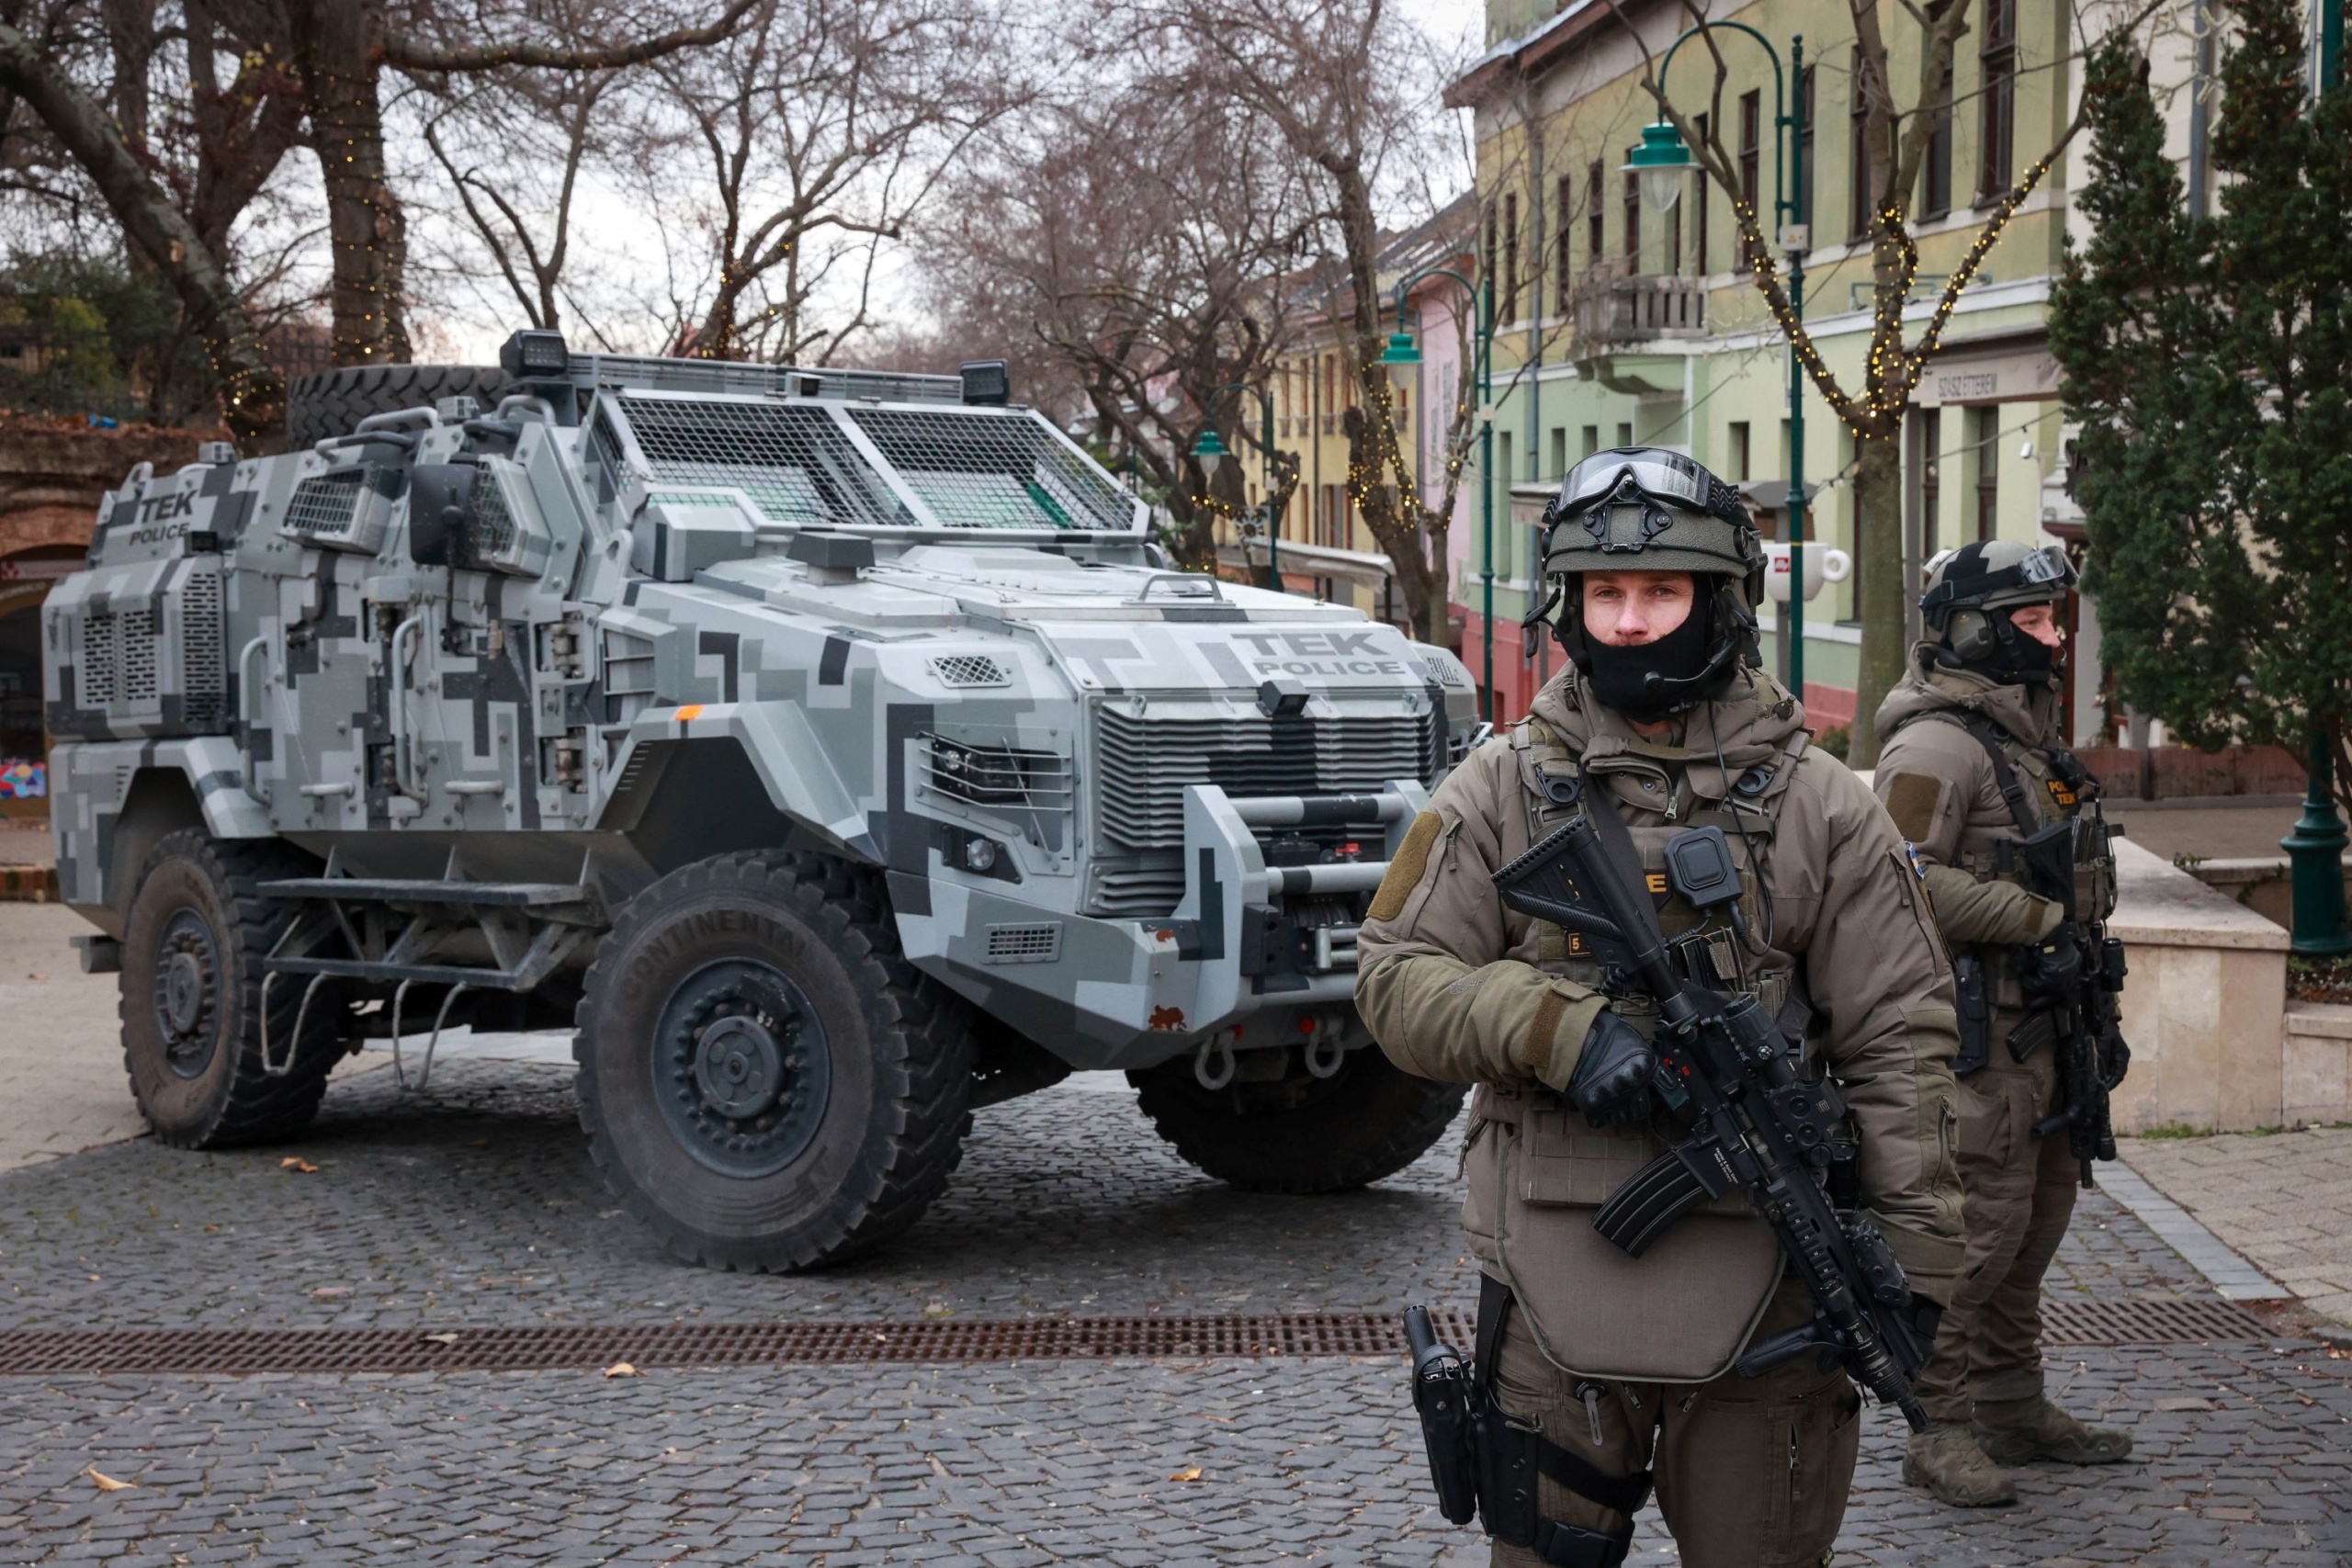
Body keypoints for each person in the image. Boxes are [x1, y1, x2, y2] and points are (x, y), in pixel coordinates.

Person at [1359, 448, 1965, 1568]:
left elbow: (1902, 1042)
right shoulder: (1499, 788)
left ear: (1720, 603)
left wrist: (1919, 1260)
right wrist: (1559, 1028)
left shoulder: (1823, 805)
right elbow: (1393, 980)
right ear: (1570, 607)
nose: (1631, 622)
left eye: (1660, 593)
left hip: (1774, 1287)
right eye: (1606, 595)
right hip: (1551, 1289)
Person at [1871, 539, 2135, 1507]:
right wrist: (2026, 917)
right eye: (2030, 619)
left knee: (2032, 1233)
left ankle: (2012, 1406)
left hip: (2051, 1032)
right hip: (1979, 1043)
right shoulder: (1937, 745)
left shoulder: (2016, 734)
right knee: (1972, 1241)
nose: (2054, 637)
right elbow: (1892, 877)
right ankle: (1936, 1429)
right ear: (1973, 627)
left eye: (2053, 617)